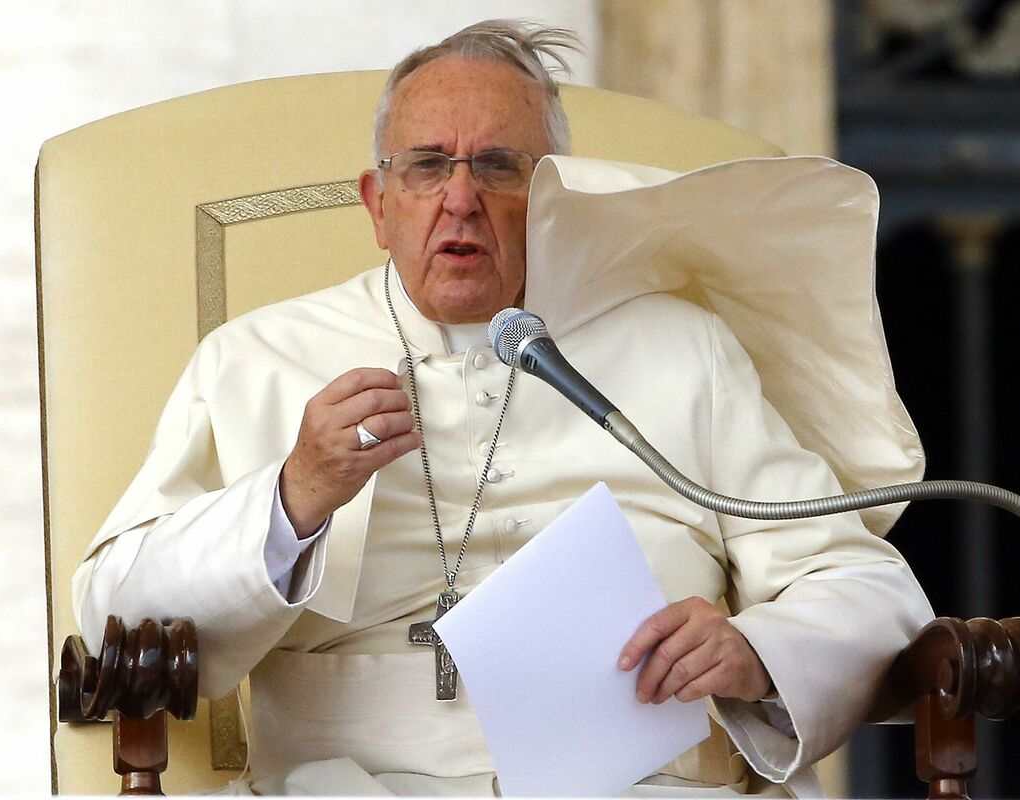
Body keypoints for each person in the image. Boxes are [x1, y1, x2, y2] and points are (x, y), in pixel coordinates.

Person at [74, 19, 933, 797]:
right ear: (378, 206)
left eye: (497, 166)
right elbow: (114, 611)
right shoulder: (257, 358)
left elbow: (863, 588)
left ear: (553, 194)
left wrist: (757, 651)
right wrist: (293, 496)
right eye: (425, 166)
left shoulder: (681, 349)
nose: (461, 199)